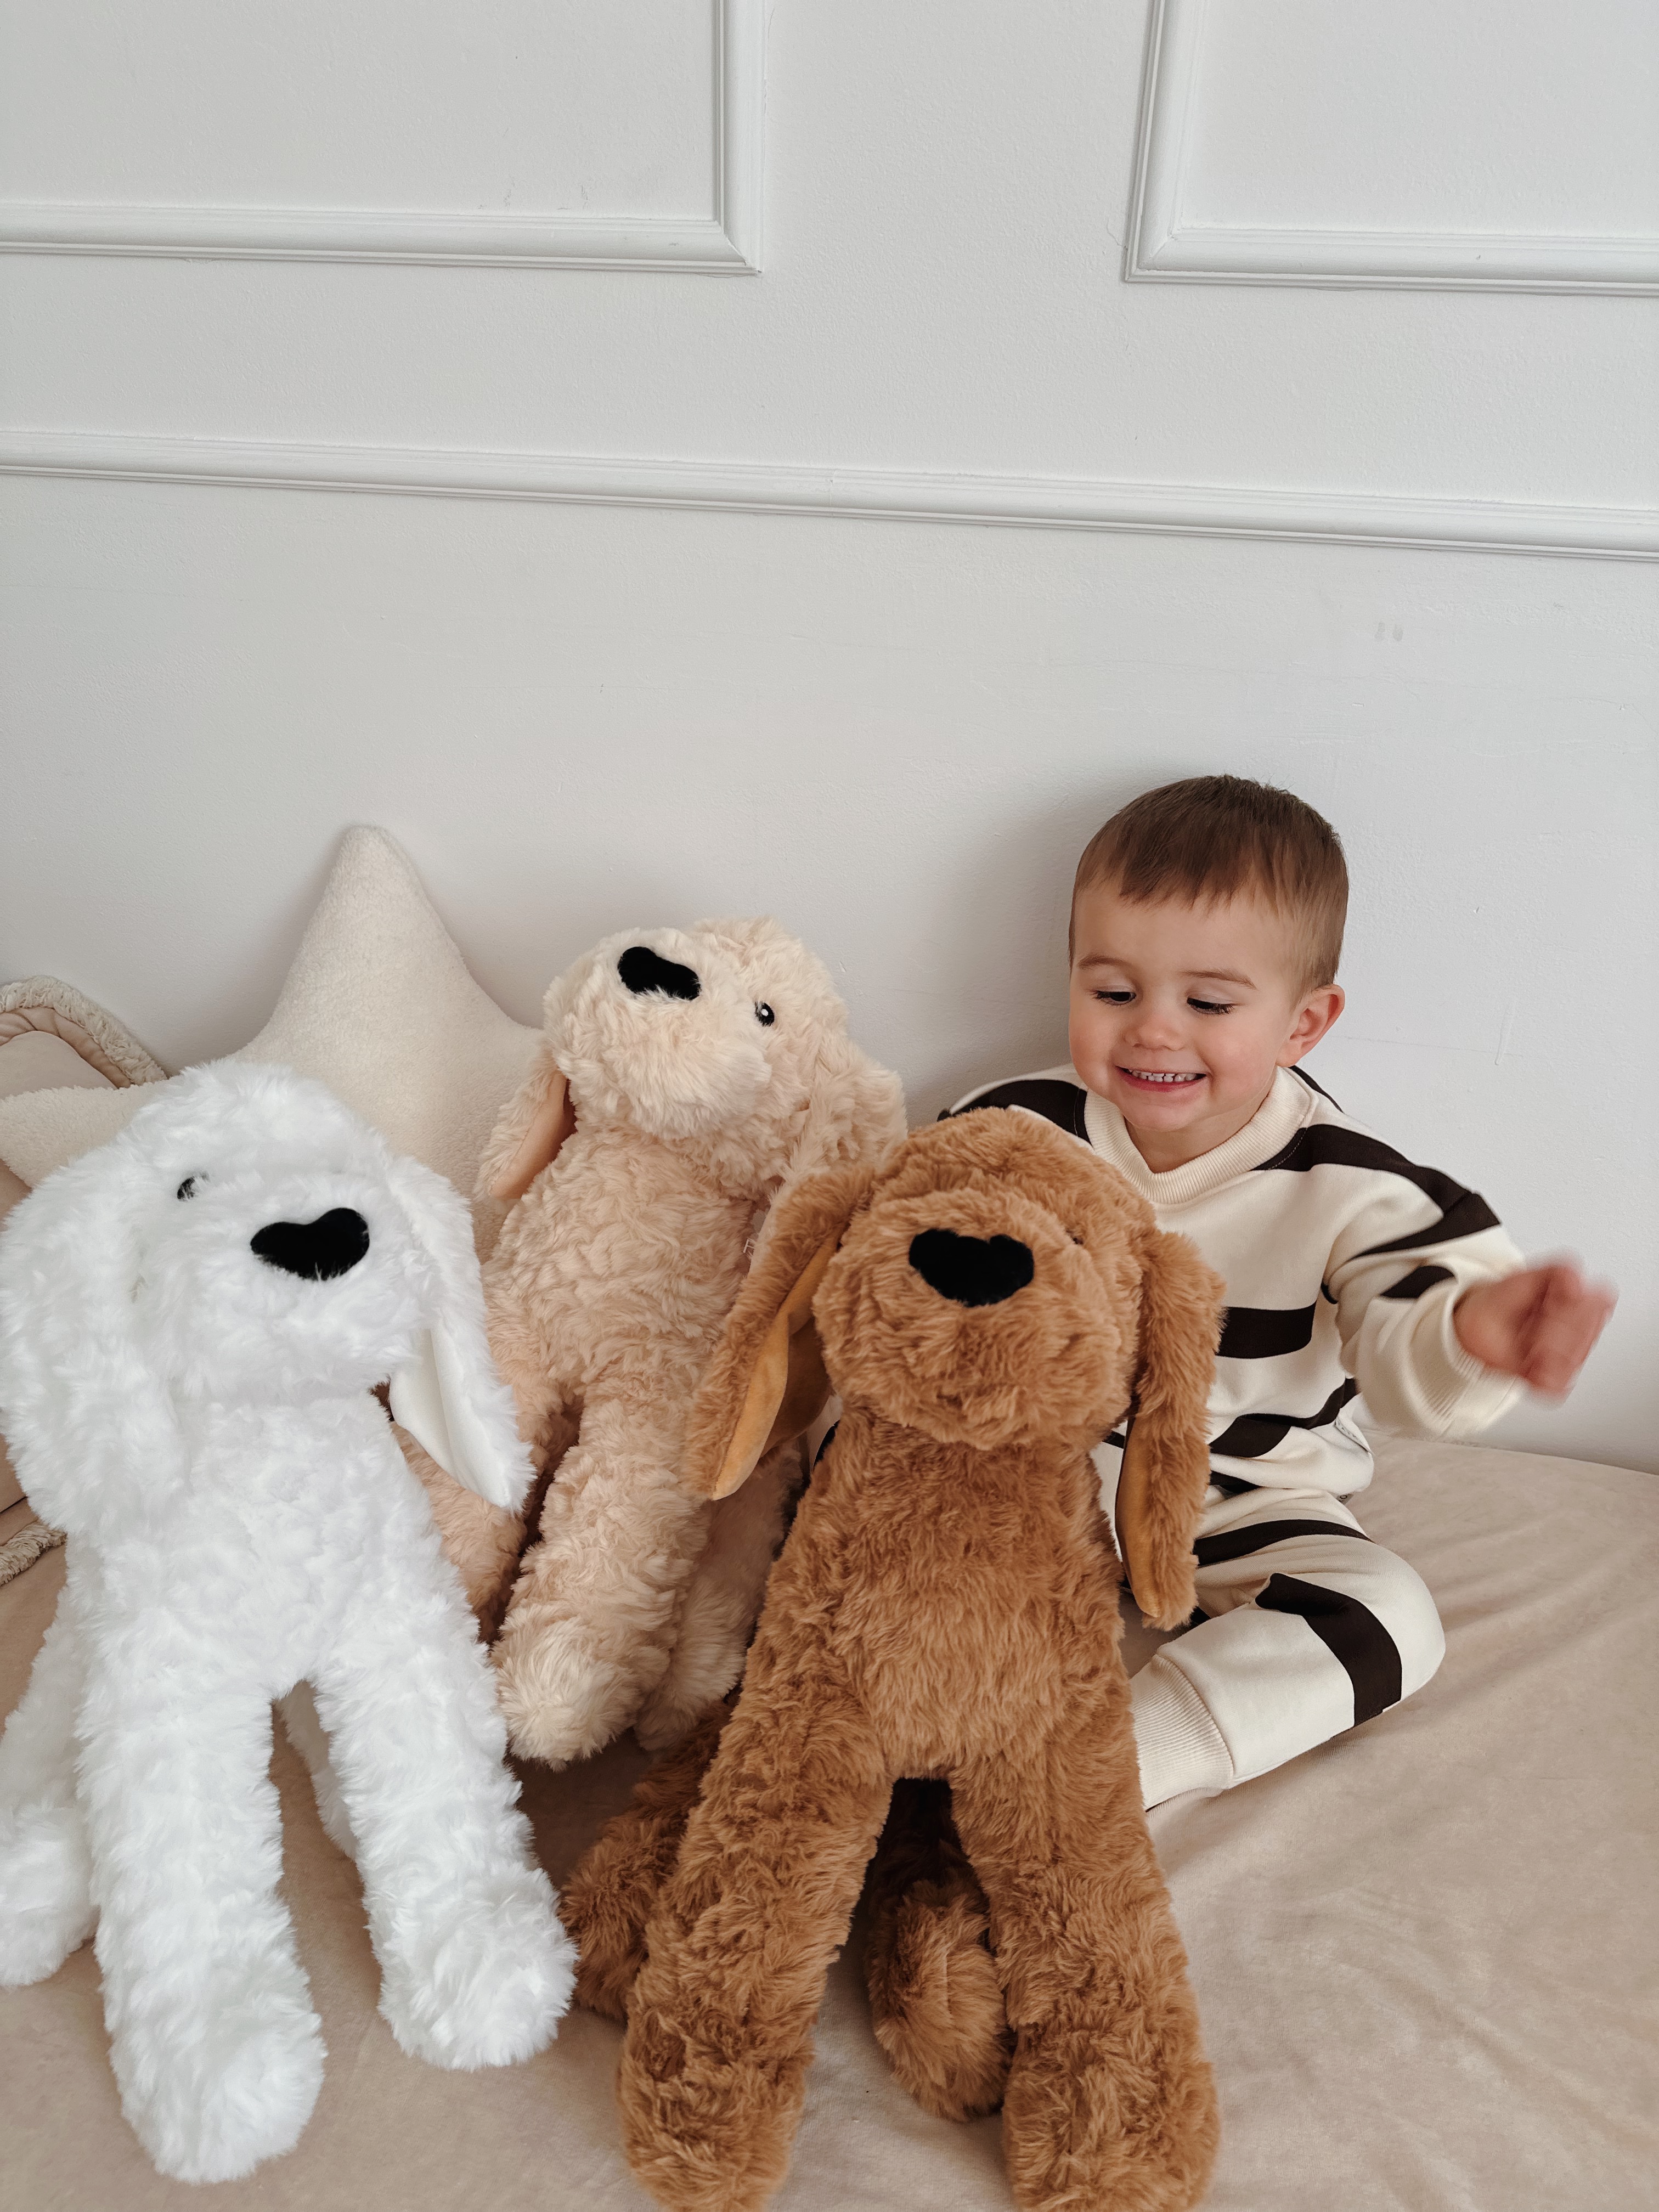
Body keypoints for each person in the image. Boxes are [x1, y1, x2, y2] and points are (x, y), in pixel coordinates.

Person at [947, 775, 1615, 1808]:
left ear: (1304, 1024)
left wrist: (1469, 1337)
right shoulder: (1010, 1131)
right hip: (1033, 1478)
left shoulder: (1356, 1188)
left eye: (1209, 1004)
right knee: (866, 1497)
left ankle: (1103, 1769)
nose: (1154, 1031)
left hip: (1240, 1497)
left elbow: (1411, 1342)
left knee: (1392, 1619)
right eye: (1114, 993)